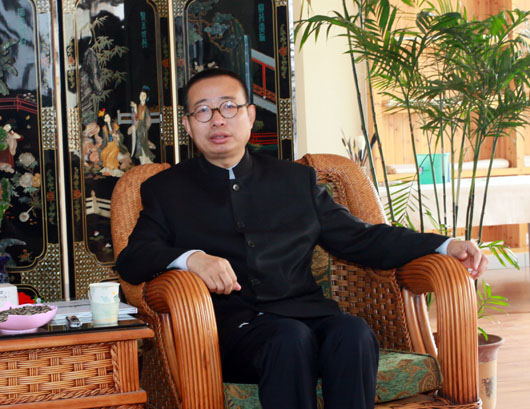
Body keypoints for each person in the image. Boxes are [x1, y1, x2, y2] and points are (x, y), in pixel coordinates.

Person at [116, 68, 487, 409]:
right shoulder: (167, 190)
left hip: (307, 315)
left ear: (249, 116)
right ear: (187, 124)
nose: (217, 119)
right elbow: (133, 259)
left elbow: (362, 239)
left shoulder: (294, 181)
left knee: (353, 333)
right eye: (203, 110)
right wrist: (191, 258)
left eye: (229, 107)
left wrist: (445, 245)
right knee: (287, 338)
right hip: (231, 333)